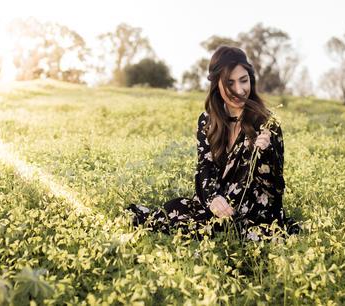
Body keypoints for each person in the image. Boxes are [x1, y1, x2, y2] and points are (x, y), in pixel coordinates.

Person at [126, 46, 300, 240]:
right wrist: (213, 199)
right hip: (220, 204)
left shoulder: (267, 122)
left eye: (244, 80)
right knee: (174, 212)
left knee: (235, 232)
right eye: (230, 83)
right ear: (217, 84)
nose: (239, 90)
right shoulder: (207, 120)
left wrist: (266, 152)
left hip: (254, 212)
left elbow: (275, 188)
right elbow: (205, 167)